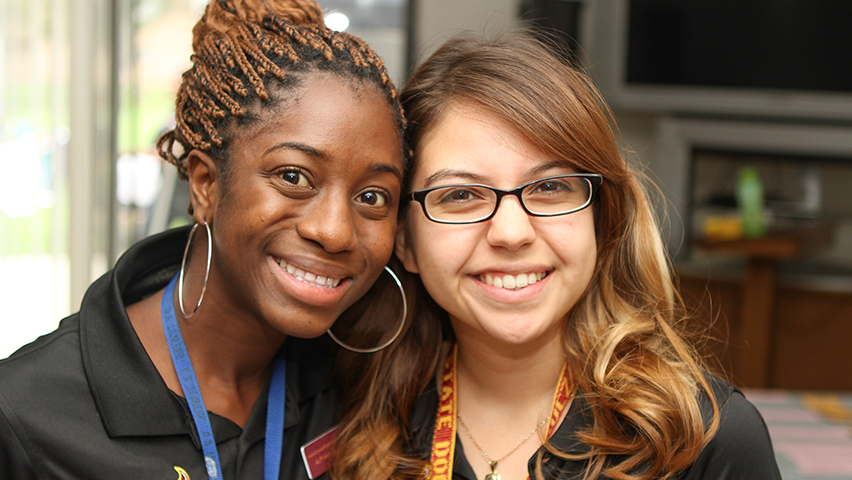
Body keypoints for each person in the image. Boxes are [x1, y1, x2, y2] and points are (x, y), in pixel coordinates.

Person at [330, 31, 782, 479]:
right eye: (462, 194)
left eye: (549, 187)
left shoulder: (703, 440)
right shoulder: (340, 419)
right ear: (405, 240)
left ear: (600, 219)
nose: (510, 233)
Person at [0, 0, 408, 478]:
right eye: (294, 177)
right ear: (205, 185)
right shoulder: (25, 415)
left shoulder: (361, 385)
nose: (336, 231)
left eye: (374, 196)